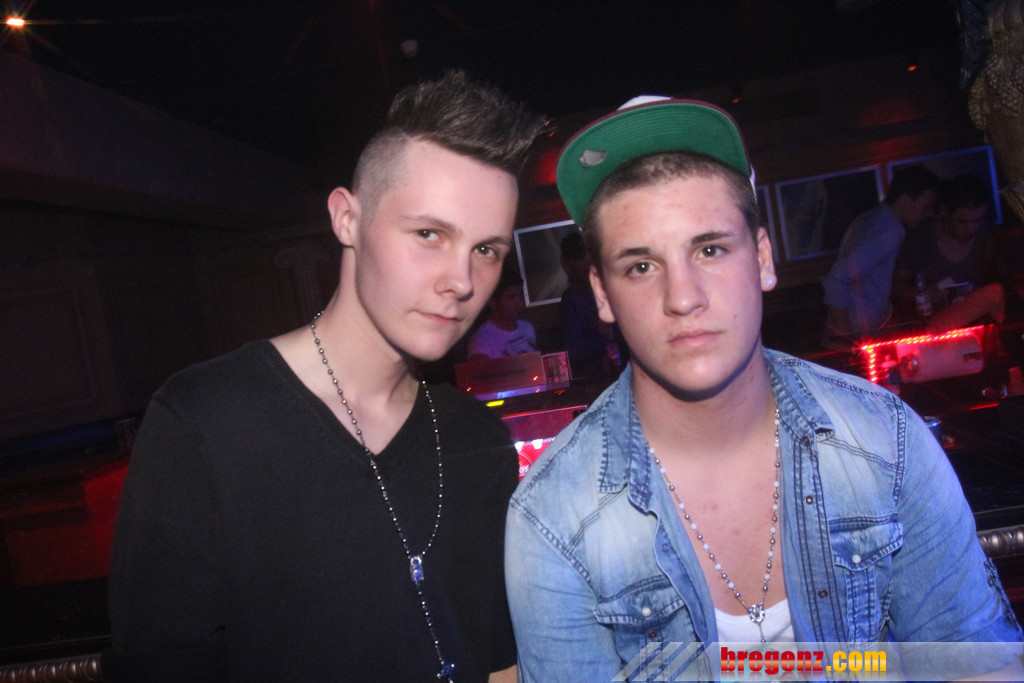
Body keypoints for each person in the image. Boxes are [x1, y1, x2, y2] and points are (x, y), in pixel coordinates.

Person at [504, 96, 1023, 681]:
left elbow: (973, 665)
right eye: (641, 267)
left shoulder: (885, 438)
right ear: (603, 294)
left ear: (763, 259)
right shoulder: (554, 515)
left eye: (710, 249)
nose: (683, 297)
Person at [106, 71, 542, 682]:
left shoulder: (479, 438)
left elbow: (500, 663)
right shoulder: (205, 422)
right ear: (346, 219)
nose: (462, 281)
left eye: (486, 250)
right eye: (429, 234)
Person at [820, 165, 940, 346]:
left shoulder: (872, 219)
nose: (929, 213)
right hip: (855, 341)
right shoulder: (888, 231)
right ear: (906, 198)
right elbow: (835, 279)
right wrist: (849, 337)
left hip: (860, 336)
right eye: (926, 206)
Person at [895, 173, 1005, 333]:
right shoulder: (919, 239)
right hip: (933, 331)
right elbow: (895, 286)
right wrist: (921, 294)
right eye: (963, 221)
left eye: (977, 221)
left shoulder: (989, 237)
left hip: (982, 329)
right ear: (945, 212)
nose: (971, 228)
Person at [558, 230, 622, 379]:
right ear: (567, 265)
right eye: (578, 257)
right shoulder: (572, 299)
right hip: (594, 378)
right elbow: (574, 350)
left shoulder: (616, 290)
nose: (585, 261)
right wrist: (606, 338)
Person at [467, 265, 537, 360]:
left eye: (520, 295)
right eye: (511, 297)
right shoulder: (482, 341)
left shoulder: (527, 328)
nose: (519, 302)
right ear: (491, 301)